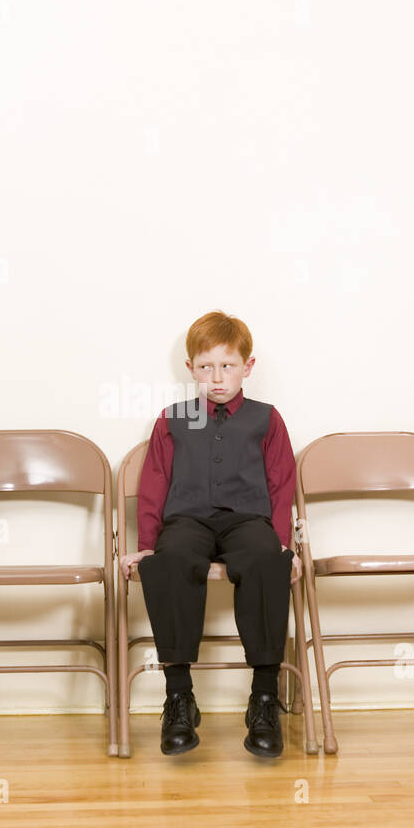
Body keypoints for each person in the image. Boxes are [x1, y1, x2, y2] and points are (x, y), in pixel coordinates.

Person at [121, 311, 299, 758]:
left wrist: (284, 544)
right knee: (171, 560)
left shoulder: (267, 419)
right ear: (190, 369)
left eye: (227, 366)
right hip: (188, 521)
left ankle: (263, 699)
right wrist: (146, 545)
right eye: (205, 367)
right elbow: (154, 483)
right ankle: (178, 696)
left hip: (248, 522)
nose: (216, 378)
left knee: (265, 560)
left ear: (248, 367)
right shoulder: (173, 419)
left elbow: (281, 484)